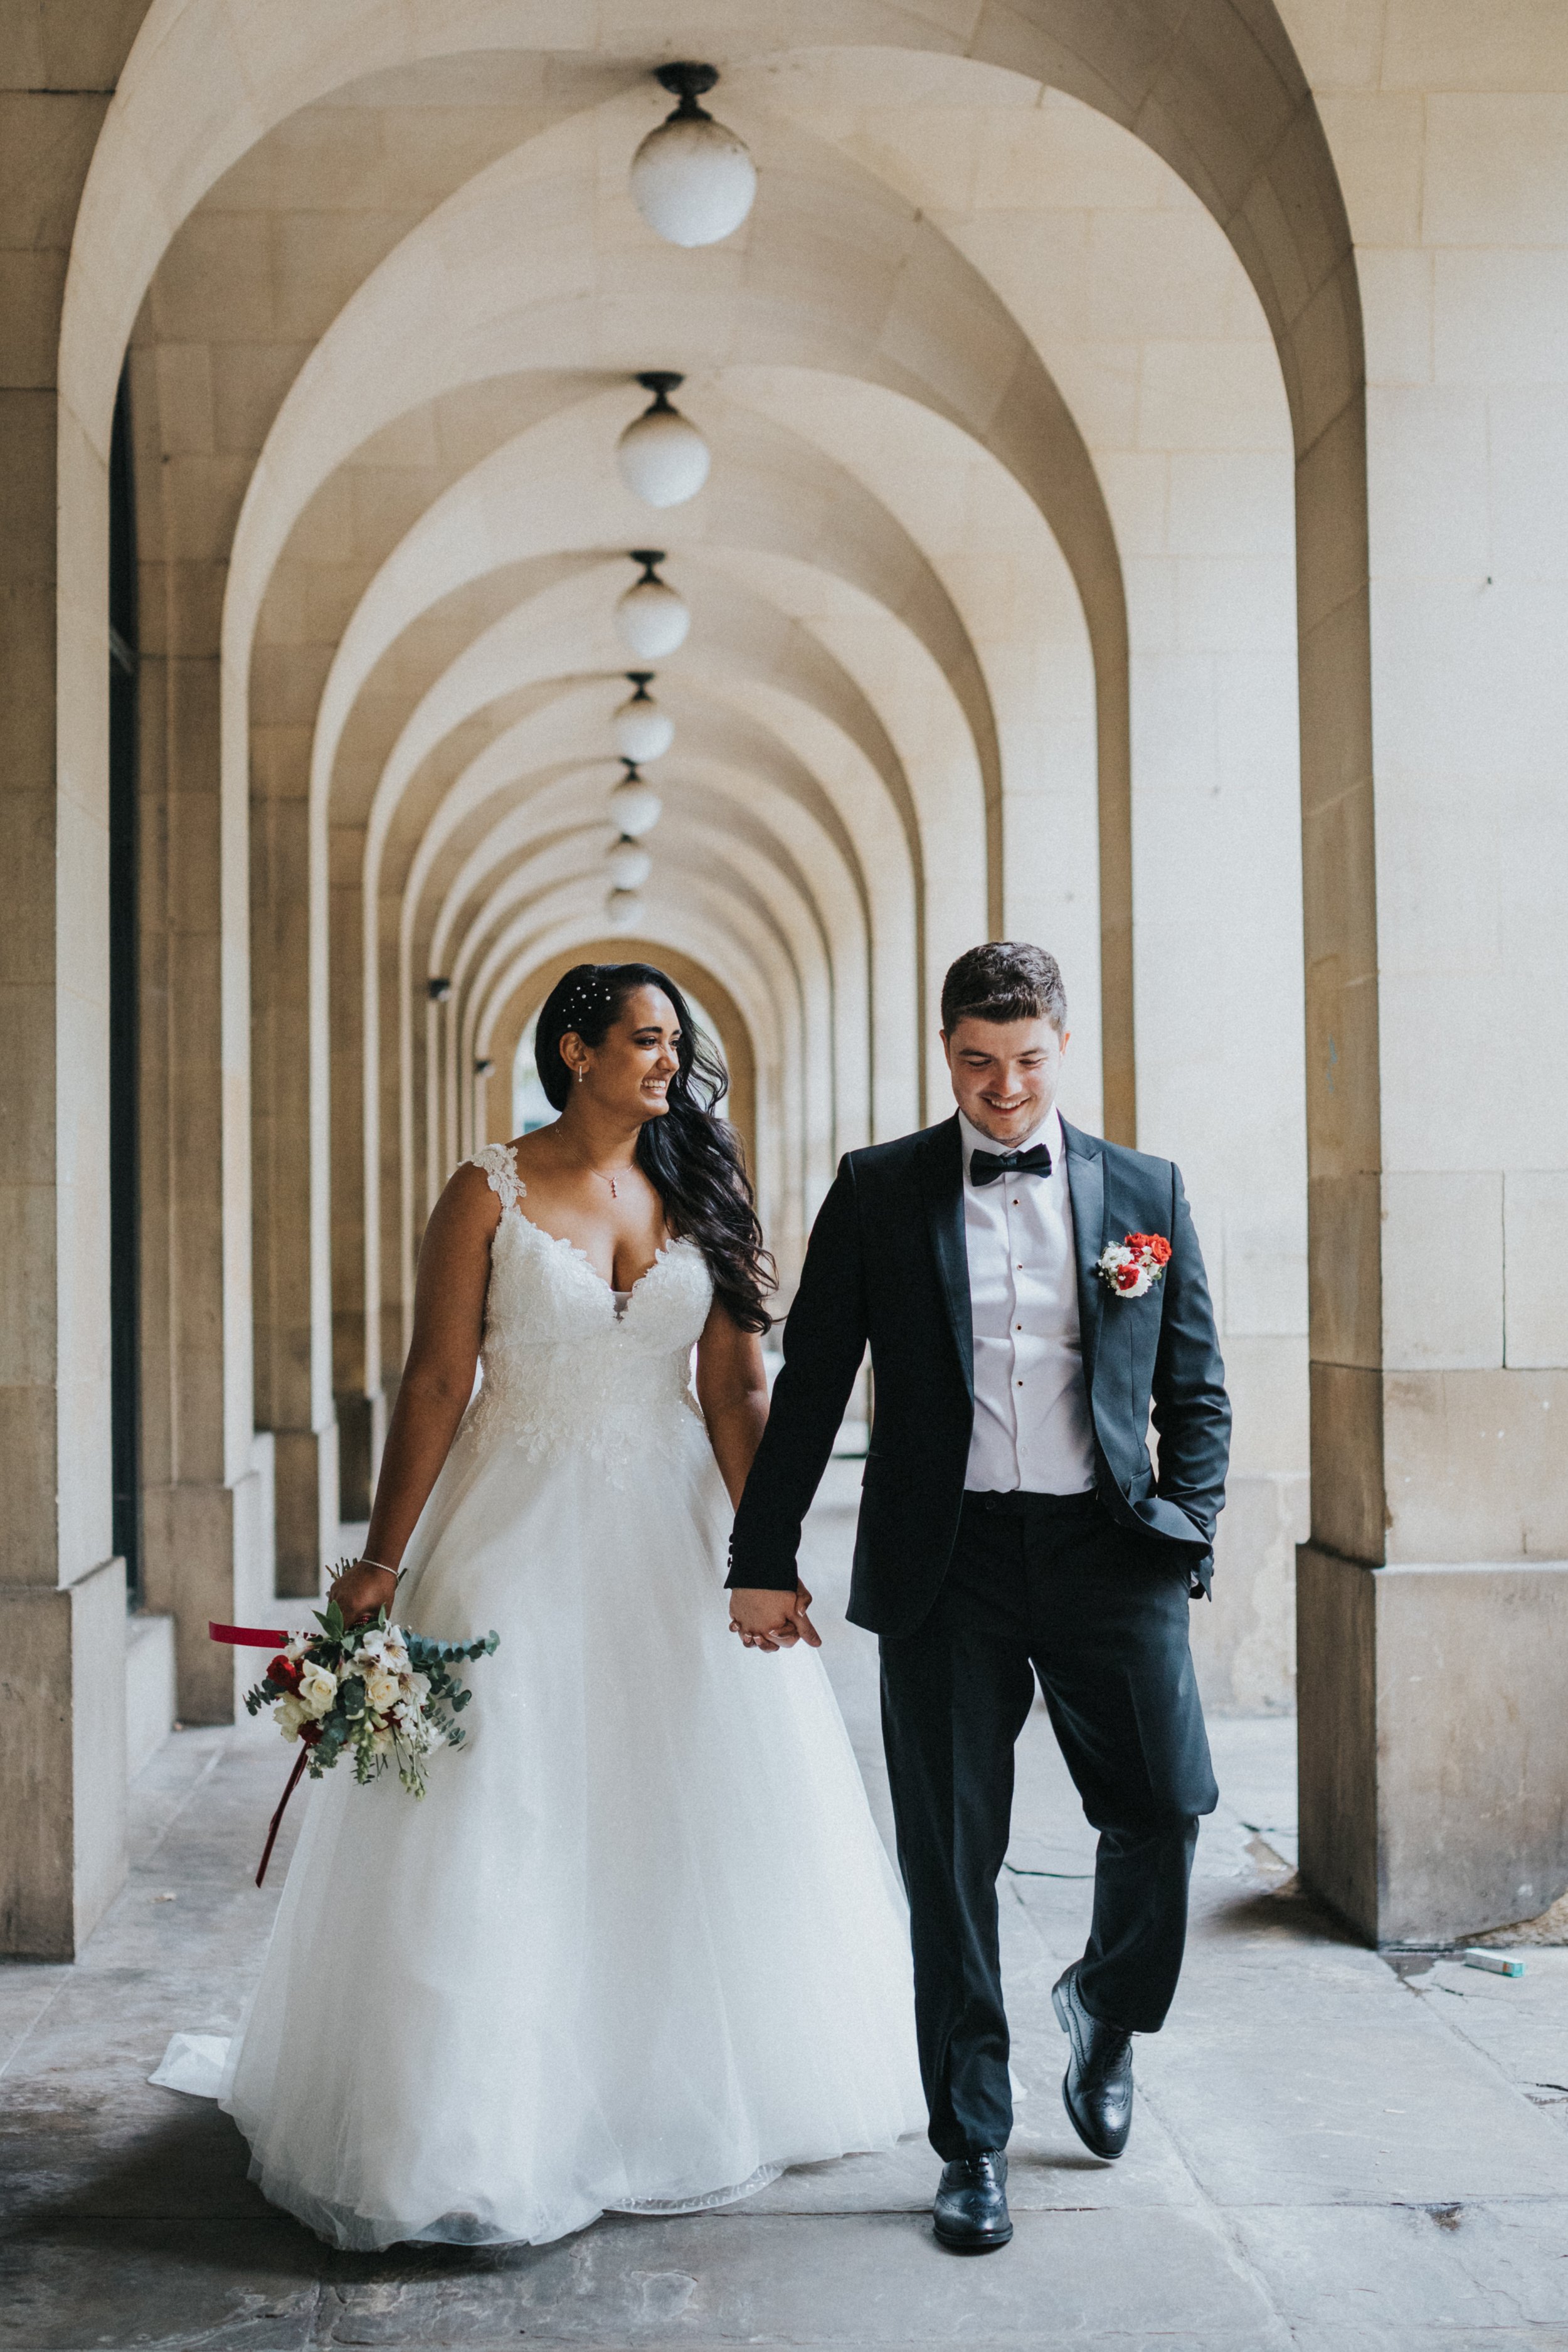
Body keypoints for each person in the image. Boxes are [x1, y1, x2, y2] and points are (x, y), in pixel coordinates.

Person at [154, 962, 924, 2250]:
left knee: (677, 1797)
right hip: (511, 1527)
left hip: (673, 1530)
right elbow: (435, 1379)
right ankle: (482, 2111)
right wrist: (379, 1560)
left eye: (674, 1042)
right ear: (572, 1052)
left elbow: (735, 1387)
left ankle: (660, 2082)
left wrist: (767, 1551)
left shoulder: (703, 1184)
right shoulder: (486, 1190)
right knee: (505, 1806)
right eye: (641, 1040)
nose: (665, 1063)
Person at [726, 941, 1229, 2255]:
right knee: (948, 1861)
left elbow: (1196, 1387)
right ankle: (972, 2142)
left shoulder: (1144, 1190)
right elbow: (814, 1381)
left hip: (1107, 1554)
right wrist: (760, 1552)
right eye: (973, 1063)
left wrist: (1186, 1530)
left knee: (1166, 1813)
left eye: (1023, 1063)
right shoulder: (880, 1190)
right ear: (943, 1050)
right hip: (942, 1568)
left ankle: (1104, 2010)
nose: (1000, 1091)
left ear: (1060, 1048)